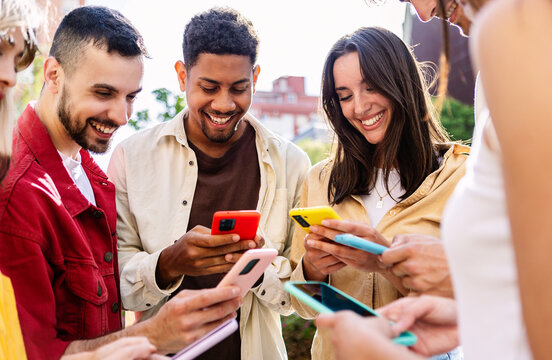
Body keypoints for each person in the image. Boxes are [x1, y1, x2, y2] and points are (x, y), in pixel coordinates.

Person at [0, 6, 242, 360]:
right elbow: (31, 354)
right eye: (103, 93)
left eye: (131, 97)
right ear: (53, 75)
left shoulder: (91, 172)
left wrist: (170, 265)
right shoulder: (18, 194)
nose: (121, 116)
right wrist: (153, 334)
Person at [318, 0, 552, 358]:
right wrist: (465, 314)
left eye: (370, 88)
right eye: (345, 96)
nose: (423, 14)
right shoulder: (493, 71)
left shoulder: (515, 35)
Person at [107, 7, 310, 360]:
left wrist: (256, 270)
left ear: (256, 77)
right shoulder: (131, 158)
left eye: (239, 88)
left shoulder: (291, 163)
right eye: (209, 87)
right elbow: (114, 285)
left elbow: (297, 296)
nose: (224, 103)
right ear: (182, 76)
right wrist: (168, 263)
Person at [288, 26, 468, 360]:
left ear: (401, 82)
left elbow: (471, 300)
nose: (359, 107)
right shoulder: (321, 179)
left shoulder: (461, 176)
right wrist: (313, 268)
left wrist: (384, 262)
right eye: (344, 96)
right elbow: (301, 305)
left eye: (371, 87)